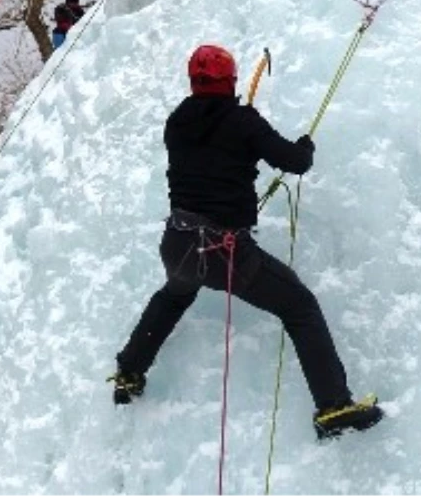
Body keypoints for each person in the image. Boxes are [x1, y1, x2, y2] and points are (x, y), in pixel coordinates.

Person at [111, 44, 383, 440]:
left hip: (178, 242)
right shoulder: (243, 121)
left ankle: (129, 373)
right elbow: (295, 162)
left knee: (173, 295)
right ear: (231, 80)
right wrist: (303, 146)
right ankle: (333, 404)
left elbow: (211, 159)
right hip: (224, 250)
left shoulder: (177, 121)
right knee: (299, 306)